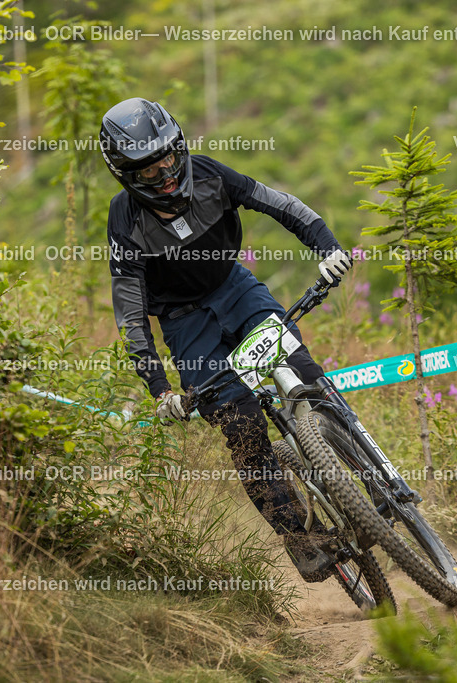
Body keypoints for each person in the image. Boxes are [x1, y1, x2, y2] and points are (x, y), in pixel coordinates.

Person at [99, 97, 352, 582]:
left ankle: (361, 461)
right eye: (150, 174)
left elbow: (279, 204)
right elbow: (131, 315)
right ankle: (301, 538)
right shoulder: (125, 221)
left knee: (302, 369)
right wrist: (161, 391)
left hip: (234, 287)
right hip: (183, 323)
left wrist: (327, 248)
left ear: (180, 146)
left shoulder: (210, 174)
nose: (168, 176)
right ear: (127, 177)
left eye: (171, 159)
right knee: (241, 428)